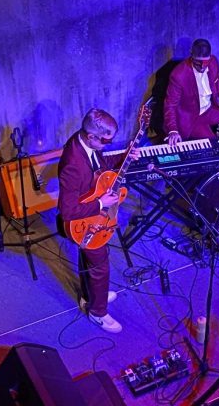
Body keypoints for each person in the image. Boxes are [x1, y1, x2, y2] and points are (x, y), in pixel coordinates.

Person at [58, 108, 139, 334]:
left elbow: (101, 165)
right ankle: (98, 313)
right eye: (105, 141)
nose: (108, 144)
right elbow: (67, 211)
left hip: (91, 213)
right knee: (100, 265)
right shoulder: (73, 165)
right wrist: (101, 204)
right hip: (84, 221)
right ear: (91, 136)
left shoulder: (85, 142)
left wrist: (125, 156)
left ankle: (91, 297)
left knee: (88, 261)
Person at [164, 38, 219, 145]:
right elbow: (170, 104)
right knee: (214, 144)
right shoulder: (178, 75)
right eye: (198, 63)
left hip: (211, 110)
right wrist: (172, 130)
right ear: (191, 55)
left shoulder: (213, 62)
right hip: (192, 118)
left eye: (205, 63)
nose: (202, 67)